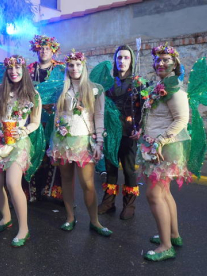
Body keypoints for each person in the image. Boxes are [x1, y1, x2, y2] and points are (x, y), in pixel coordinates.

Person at [47, 50, 112, 237]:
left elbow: (99, 116)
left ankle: (95, 221)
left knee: (88, 184)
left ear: (83, 66)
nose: (74, 68)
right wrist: (54, 140)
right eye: (71, 65)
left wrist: (99, 142)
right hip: (63, 141)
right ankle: (69, 217)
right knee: (66, 181)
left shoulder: (96, 88)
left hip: (84, 141)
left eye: (77, 64)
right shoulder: (62, 89)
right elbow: (58, 117)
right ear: (67, 67)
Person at [0, 55, 42, 247]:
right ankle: (6, 218)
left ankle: (24, 229)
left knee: (13, 183)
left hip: (19, 143)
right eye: (10, 68)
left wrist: (23, 130)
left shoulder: (33, 94)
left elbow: (35, 122)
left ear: (24, 71)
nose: (14, 72)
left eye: (17, 68)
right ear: (6, 71)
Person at [138, 44, 191, 261]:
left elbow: (181, 119)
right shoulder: (159, 85)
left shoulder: (174, 88)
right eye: (158, 60)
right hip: (155, 144)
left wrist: (160, 140)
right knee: (165, 192)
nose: (161, 63)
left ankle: (165, 246)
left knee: (153, 194)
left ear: (175, 64)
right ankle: (173, 235)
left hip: (164, 148)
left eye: (166, 60)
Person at [98, 45, 147, 219]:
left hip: (128, 134)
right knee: (111, 169)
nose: (122, 61)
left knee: (128, 170)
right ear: (115, 60)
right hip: (111, 133)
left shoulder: (138, 83)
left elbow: (145, 109)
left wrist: (141, 127)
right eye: (119, 58)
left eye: (126, 58)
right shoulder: (109, 84)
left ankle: (129, 204)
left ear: (132, 60)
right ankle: (108, 202)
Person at [27, 34, 64, 202]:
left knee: (53, 155)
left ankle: (52, 192)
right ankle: (32, 191)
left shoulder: (61, 70)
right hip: (33, 118)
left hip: (53, 119)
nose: (43, 51)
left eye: (47, 49)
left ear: (53, 51)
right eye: (41, 48)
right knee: (33, 152)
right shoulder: (29, 69)